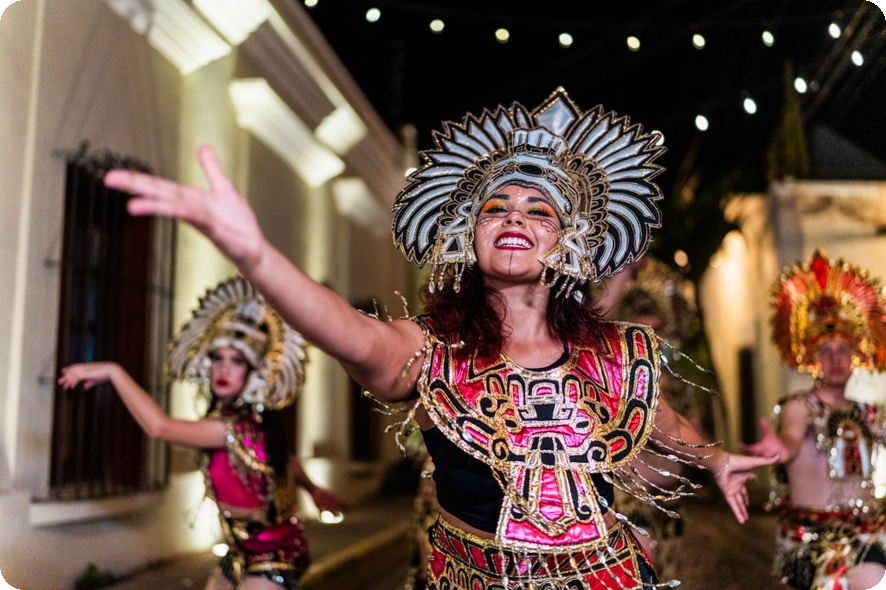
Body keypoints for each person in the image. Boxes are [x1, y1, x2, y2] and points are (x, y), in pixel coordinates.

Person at [102, 89, 774, 588]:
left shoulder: (612, 352)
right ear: (467, 237)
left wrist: (717, 459)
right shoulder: (432, 350)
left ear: (569, 241)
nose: (515, 216)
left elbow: (660, 421)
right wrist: (257, 257)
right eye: (495, 207)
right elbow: (350, 333)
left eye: (539, 210)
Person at [58, 277, 340, 590]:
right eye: (217, 358)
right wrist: (313, 489)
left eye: (237, 361)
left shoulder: (234, 426)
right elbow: (283, 459)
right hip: (239, 551)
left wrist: (114, 372)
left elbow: (160, 427)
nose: (223, 369)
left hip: (275, 554)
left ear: (252, 372)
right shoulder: (238, 420)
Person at [742, 250, 886, 590]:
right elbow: (791, 440)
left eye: (843, 350)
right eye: (826, 351)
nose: (836, 359)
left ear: (855, 355)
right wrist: (780, 449)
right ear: (811, 358)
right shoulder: (800, 406)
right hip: (814, 542)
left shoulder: (871, 413)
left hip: (871, 534)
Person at [599, 257, 709, 580]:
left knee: (670, 577)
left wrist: (722, 459)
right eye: (641, 330)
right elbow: (596, 323)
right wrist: (624, 272)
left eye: (656, 330)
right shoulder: (615, 378)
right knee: (639, 577)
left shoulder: (676, 383)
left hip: (672, 503)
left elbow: (693, 433)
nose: (650, 338)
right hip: (630, 501)